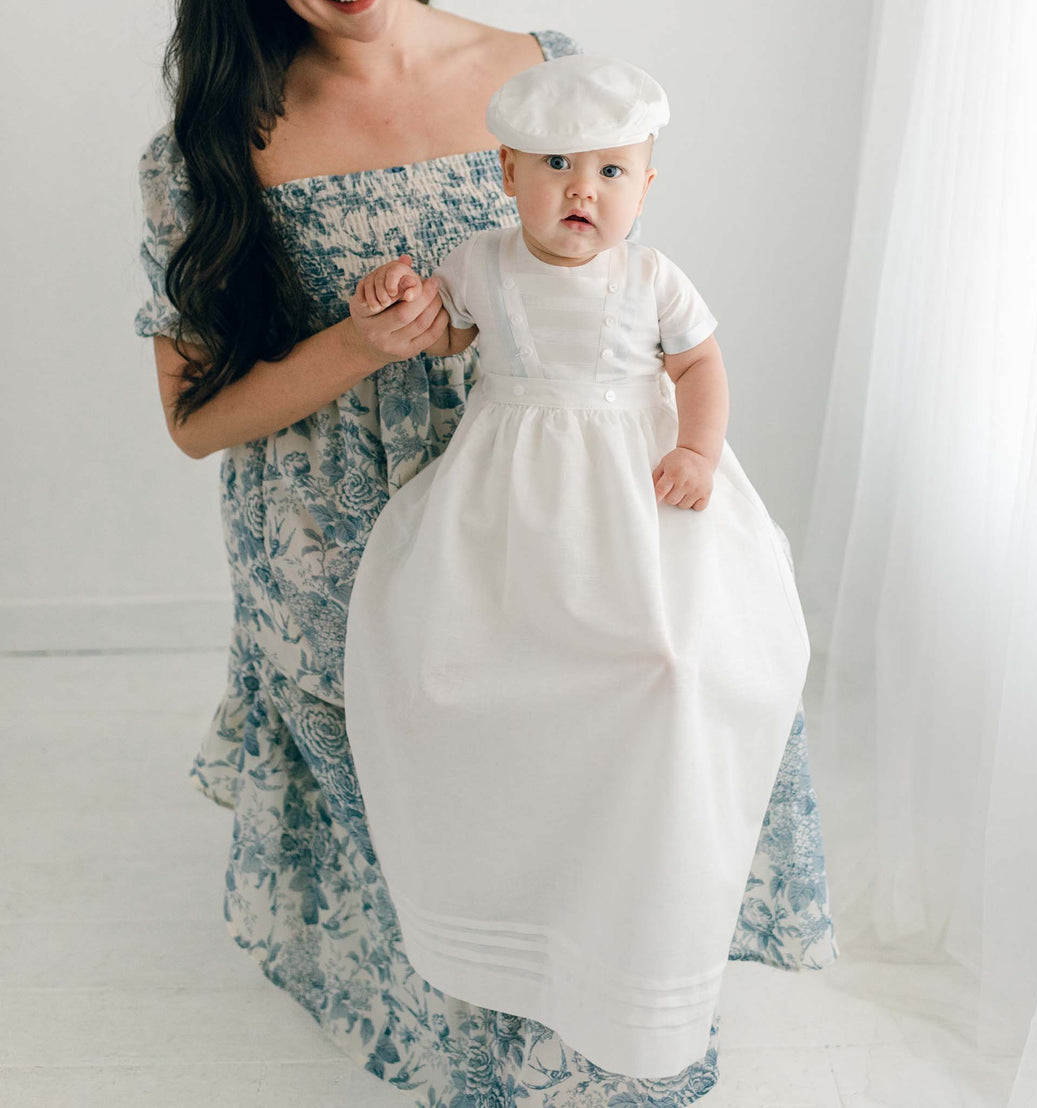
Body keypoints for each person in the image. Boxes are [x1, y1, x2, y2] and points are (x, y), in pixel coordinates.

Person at [133, 1, 839, 1102]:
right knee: (434, 761)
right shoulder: (217, 139)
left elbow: (643, 308)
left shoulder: (553, 77)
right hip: (344, 518)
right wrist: (362, 339)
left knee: (659, 686)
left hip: (574, 501)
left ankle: (623, 1004)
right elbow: (194, 424)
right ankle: (465, 1016)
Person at [340, 54, 823, 1080]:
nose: (580, 191)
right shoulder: (481, 261)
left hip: (632, 488)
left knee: (668, 656)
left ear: (645, 187)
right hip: (508, 490)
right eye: (556, 165)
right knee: (455, 656)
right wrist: (396, 295)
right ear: (507, 172)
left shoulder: (652, 278)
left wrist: (695, 449)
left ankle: (640, 908)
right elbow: (442, 329)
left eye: (610, 171)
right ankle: (508, 904)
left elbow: (697, 366)